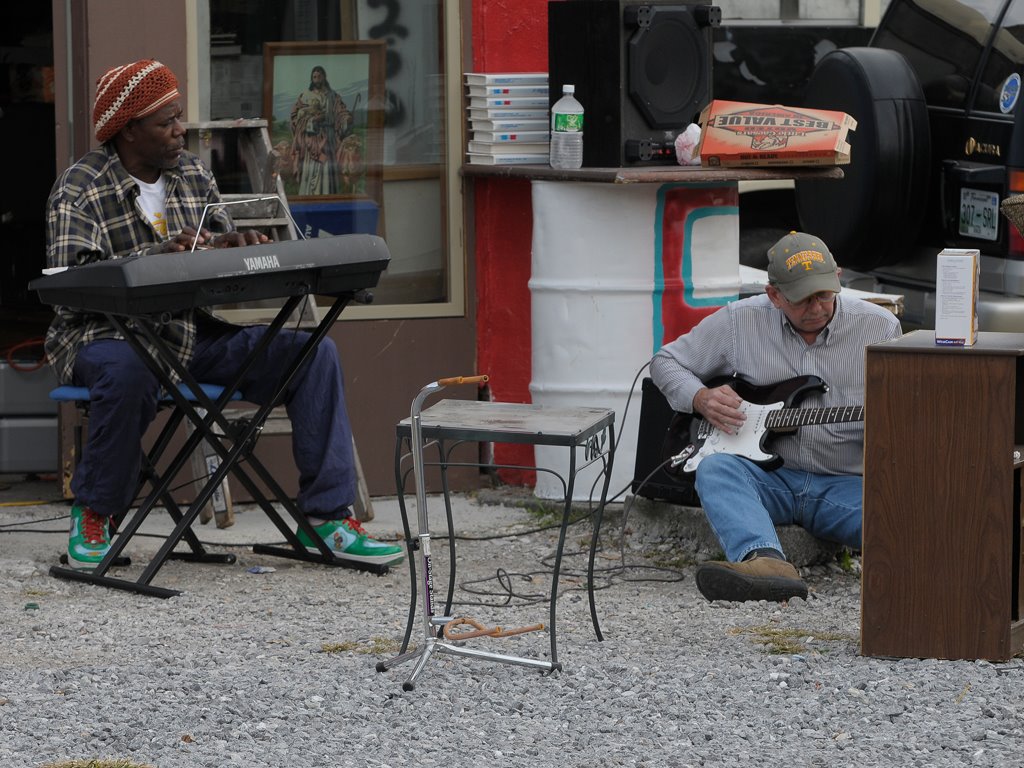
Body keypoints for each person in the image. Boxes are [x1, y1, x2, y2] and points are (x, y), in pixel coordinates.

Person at [44, 59, 402, 570]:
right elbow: (69, 286)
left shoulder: (192, 174)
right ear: (127, 130)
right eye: (166, 120)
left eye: (179, 116)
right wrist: (153, 260)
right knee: (127, 372)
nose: (179, 128)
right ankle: (96, 513)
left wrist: (234, 246)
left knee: (312, 354)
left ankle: (328, 518)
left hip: (191, 335)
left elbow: (213, 239)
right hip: (106, 338)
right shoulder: (80, 188)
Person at [650, 231, 901, 603]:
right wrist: (701, 398)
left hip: (846, 485)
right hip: (770, 479)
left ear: (839, 278)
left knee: (910, 518)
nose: (816, 307)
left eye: (825, 294)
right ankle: (765, 563)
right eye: (802, 299)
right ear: (774, 295)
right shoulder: (740, 321)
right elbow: (665, 362)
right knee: (715, 468)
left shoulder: (880, 327)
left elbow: (904, 418)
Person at [289, 65, 354, 196]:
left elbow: (341, 112)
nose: (317, 79)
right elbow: (295, 116)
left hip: (327, 138)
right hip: (311, 138)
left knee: (326, 167)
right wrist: (309, 121)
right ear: (311, 79)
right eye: (314, 77)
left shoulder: (333, 96)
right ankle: (308, 195)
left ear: (324, 77)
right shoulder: (305, 96)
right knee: (310, 169)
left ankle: (327, 195)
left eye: (319, 76)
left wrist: (346, 119)